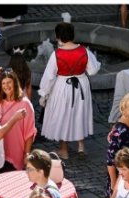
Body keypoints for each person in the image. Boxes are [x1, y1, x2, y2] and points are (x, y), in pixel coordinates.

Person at [38, 22, 100, 159]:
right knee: (80, 113)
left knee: (62, 115)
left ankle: (64, 150)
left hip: (62, 86)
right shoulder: (84, 51)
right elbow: (93, 70)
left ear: (58, 36)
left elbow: (49, 76)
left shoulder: (57, 54)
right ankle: (81, 147)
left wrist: (44, 93)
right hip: (81, 85)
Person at [0, 70, 35, 171]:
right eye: (3, 83)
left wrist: (27, 153)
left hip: (14, 152)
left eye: (9, 82)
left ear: (15, 82)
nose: (6, 86)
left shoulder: (25, 104)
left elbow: (30, 132)